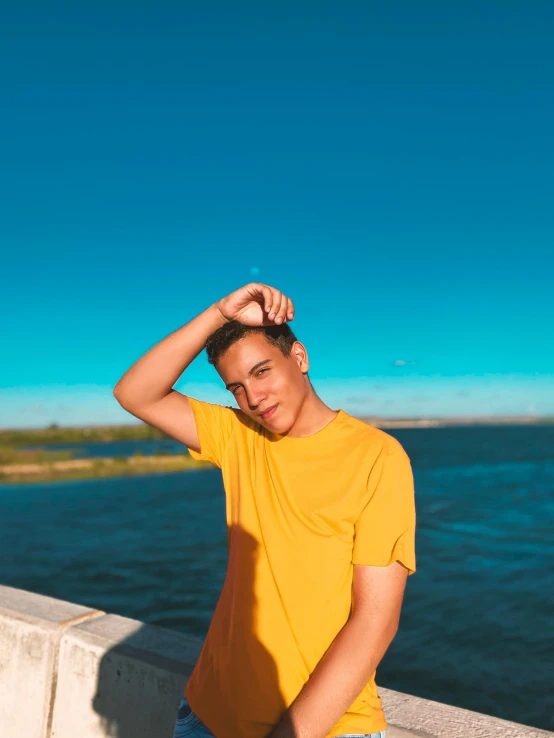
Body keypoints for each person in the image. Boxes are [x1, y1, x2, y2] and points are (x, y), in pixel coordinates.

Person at [113, 283, 416, 738]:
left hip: (327, 728)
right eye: (235, 386)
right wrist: (218, 313)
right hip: (207, 716)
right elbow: (136, 393)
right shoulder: (240, 437)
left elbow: (375, 620)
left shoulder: (378, 456)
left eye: (261, 372)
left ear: (299, 357)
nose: (253, 398)